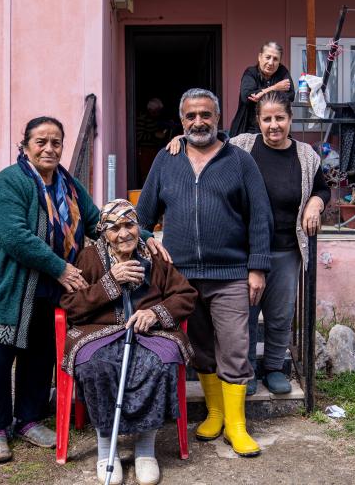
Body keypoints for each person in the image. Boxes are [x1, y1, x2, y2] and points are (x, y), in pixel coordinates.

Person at [0, 116, 170, 463]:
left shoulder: (69, 185)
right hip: (8, 285)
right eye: (41, 142)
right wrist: (61, 267)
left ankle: (29, 420)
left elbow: (97, 221)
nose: (49, 148)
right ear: (25, 146)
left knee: (41, 352)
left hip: (50, 285)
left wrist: (146, 237)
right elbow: (13, 236)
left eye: (56, 142)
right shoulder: (10, 182)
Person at [136, 88, 273, 457]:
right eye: (191, 116)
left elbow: (261, 216)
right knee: (199, 349)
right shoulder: (167, 160)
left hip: (230, 273)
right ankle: (214, 413)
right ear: (182, 122)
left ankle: (237, 426)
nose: (199, 122)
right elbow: (143, 215)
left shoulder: (240, 161)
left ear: (218, 118)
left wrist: (257, 268)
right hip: (181, 278)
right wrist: (147, 239)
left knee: (235, 347)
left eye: (206, 115)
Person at [166, 91, 330, 395]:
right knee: (246, 315)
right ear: (258, 122)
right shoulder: (242, 146)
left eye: (280, 118)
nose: (273, 125)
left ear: (290, 120)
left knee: (280, 312)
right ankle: (248, 371)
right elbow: (206, 140)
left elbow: (322, 188)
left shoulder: (306, 156)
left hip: (284, 247)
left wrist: (315, 203)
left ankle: (274, 367)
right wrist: (180, 140)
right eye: (267, 119)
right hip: (246, 250)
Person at [60, 199, 197, 485]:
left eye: (130, 225)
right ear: (103, 233)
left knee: (159, 362)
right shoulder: (89, 258)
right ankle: (105, 448)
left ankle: (145, 450)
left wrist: (155, 313)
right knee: (96, 366)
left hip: (150, 332)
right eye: (114, 228)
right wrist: (109, 283)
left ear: (139, 228)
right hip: (99, 331)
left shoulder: (154, 257)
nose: (124, 234)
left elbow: (185, 295)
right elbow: (70, 305)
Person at [229, 41, 295, 137]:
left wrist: (261, 94)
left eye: (275, 59)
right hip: (248, 129)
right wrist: (275, 88)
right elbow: (247, 97)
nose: (271, 62)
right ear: (260, 57)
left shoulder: (282, 71)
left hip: (275, 129)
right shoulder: (251, 72)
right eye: (268, 57)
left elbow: (290, 96)